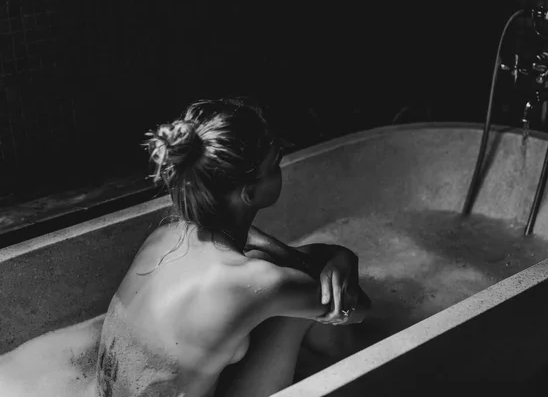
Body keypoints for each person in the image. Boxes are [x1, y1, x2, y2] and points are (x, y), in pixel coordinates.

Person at [0, 98, 371, 397]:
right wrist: (343, 258)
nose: (283, 166)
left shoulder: (168, 236)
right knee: (302, 310)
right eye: (276, 163)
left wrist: (323, 256)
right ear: (250, 193)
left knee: (282, 274)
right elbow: (356, 310)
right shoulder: (260, 284)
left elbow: (273, 251)